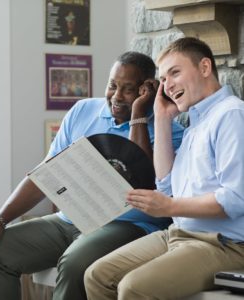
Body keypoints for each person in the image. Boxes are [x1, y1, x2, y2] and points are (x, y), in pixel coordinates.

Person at [0, 51, 184, 300]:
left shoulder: (169, 130)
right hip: (70, 220)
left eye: (128, 89)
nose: (116, 96)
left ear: (147, 91)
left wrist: (138, 114)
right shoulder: (82, 111)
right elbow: (46, 175)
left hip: (130, 226)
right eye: (113, 85)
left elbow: (142, 178)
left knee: (74, 264)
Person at [84, 37, 244, 300]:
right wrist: (161, 118)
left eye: (175, 73)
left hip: (224, 244)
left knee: (133, 288)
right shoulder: (197, 122)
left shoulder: (231, 115)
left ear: (205, 68)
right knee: (97, 275)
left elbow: (236, 199)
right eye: (163, 79)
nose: (167, 84)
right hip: (179, 234)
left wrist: (169, 208)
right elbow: (166, 185)